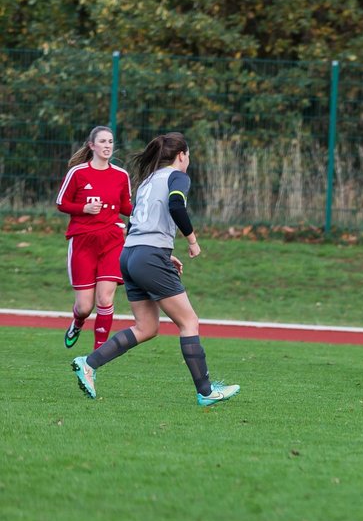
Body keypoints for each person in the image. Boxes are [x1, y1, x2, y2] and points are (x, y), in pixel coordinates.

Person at [71, 132, 240, 407]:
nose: (188, 161)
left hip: (130, 254)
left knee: (146, 327)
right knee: (189, 322)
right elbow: (176, 205)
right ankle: (206, 391)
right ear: (182, 155)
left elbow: (135, 221)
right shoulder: (178, 177)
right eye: (188, 156)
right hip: (147, 256)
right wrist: (192, 242)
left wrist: (160, 254)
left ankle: (88, 363)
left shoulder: (147, 182)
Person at [56, 125, 133, 350]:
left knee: (105, 300)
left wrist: (146, 213)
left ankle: (97, 354)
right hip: (83, 242)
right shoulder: (78, 173)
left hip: (112, 241)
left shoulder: (121, 175)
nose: (107, 146)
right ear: (92, 146)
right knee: (84, 306)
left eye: (110, 142)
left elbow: (127, 207)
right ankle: (78, 322)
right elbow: (62, 203)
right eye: (102, 142)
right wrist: (84, 208)